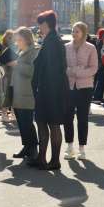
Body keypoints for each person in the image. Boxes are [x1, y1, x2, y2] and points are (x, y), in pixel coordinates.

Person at [31, 10, 68, 170]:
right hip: (52, 90)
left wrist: (42, 89)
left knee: (50, 124)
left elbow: (51, 69)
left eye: (40, 25)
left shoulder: (52, 42)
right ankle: (43, 158)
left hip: (50, 91)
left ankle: (53, 160)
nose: (39, 28)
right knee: (46, 123)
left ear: (46, 25)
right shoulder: (52, 40)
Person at [63, 22, 97, 159]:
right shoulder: (66, 47)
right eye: (73, 31)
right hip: (69, 87)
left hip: (85, 87)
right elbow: (62, 66)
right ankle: (70, 146)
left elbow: (94, 68)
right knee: (67, 117)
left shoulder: (91, 48)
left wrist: (77, 72)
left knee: (82, 118)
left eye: (77, 31)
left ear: (83, 32)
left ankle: (82, 148)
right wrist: (70, 71)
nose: (74, 33)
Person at [11, 27, 39, 161]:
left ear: (27, 39)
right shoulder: (21, 51)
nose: (17, 42)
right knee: (21, 123)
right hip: (17, 93)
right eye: (16, 40)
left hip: (27, 94)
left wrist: (17, 65)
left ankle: (33, 149)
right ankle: (26, 146)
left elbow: (33, 71)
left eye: (19, 39)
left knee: (27, 123)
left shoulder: (34, 51)